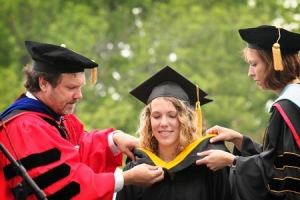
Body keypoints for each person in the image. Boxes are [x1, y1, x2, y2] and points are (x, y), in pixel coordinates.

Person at [0, 40, 164, 200]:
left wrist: (113, 140)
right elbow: (61, 187)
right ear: (44, 83)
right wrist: (125, 178)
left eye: (80, 87)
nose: (79, 95)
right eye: (71, 88)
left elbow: (76, 148)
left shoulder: (57, 116)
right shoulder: (24, 127)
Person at [196, 25, 300, 200]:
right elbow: (277, 161)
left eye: (254, 64)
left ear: (274, 64)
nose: (250, 73)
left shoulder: (287, 108)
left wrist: (232, 161)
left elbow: (287, 178)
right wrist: (240, 141)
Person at [116, 66, 232, 200]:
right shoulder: (136, 168)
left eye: (172, 115)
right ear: (148, 121)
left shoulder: (209, 164)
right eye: (156, 116)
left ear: (186, 119)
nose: (163, 123)